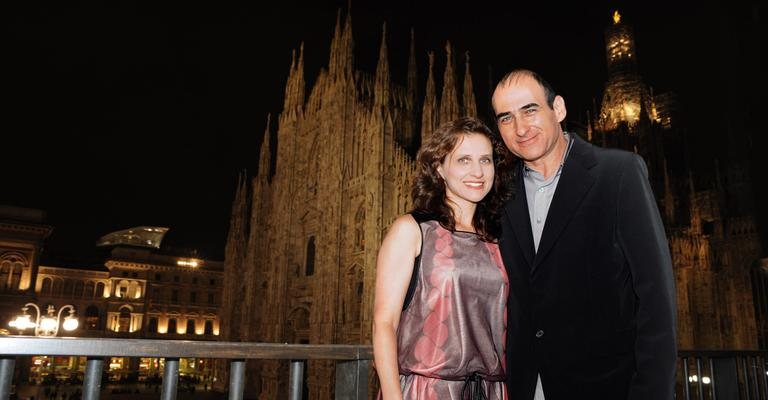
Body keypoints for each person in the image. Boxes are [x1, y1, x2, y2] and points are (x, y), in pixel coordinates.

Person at [491, 69, 677, 400]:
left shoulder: (618, 173)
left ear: (558, 109)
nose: (520, 128)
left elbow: (656, 296)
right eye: (506, 118)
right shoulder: (501, 194)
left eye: (530, 110)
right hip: (523, 387)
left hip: (605, 387)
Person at [373, 117, 515, 399]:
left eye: (485, 160)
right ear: (439, 169)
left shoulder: (500, 240)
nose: (477, 171)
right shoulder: (413, 229)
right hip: (428, 390)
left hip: (491, 391)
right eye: (463, 160)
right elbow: (384, 323)